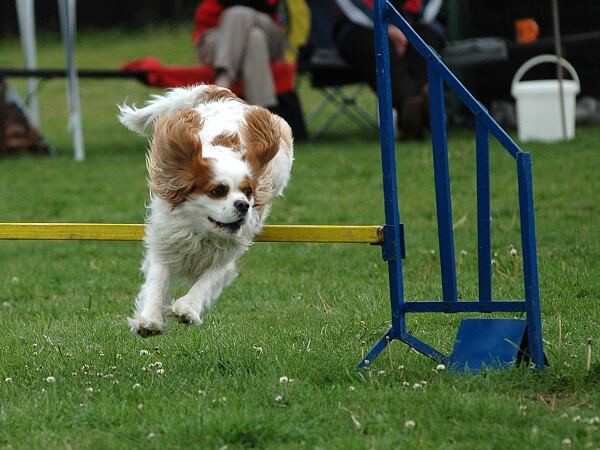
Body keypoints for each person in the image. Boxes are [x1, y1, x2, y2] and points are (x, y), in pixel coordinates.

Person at [332, 0, 445, 139]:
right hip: (360, 25)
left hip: (417, 23)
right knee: (378, 48)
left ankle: (417, 107)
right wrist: (386, 28)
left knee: (425, 42)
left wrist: (405, 26)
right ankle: (417, 107)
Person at [192, 0, 288, 109]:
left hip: (268, 31)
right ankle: (262, 112)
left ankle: (223, 79)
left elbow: (269, 4)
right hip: (218, 34)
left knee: (237, 13)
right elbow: (205, 14)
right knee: (255, 38)